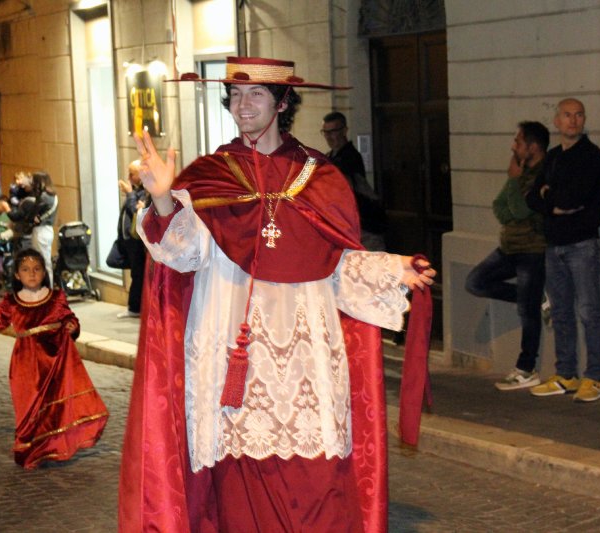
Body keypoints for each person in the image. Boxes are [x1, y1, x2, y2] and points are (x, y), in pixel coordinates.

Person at [118, 56, 435, 532]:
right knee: (238, 492)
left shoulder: (320, 177)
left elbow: (336, 266)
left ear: (283, 102)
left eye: (257, 95)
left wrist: (395, 269)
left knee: (316, 485)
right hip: (229, 355)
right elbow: (183, 255)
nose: (242, 106)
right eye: (236, 96)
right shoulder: (209, 175)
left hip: (305, 357)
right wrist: (164, 197)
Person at [0, 248, 109, 469]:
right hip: (25, 365)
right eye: (26, 270)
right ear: (17, 275)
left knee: (52, 409)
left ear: (44, 272)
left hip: (54, 361)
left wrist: (72, 327)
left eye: (37, 269)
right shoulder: (11, 302)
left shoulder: (56, 297)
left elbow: (70, 319)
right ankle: (30, 450)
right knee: (28, 410)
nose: (32, 274)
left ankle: (52, 448)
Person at [526, 98, 600, 402]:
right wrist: (552, 201)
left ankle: (595, 377)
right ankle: (567, 374)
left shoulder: (591, 157)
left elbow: (574, 199)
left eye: (578, 115)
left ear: (583, 120)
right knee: (561, 312)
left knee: (589, 311)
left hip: (582, 246)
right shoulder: (552, 158)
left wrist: (554, 198)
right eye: (567, 115)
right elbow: (533, 198)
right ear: (557, 122)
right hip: (554, 246)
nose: (573, 121)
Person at [465, 121, 549, 391]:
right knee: (475, 282)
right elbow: (500, 207)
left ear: (533, 147)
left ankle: (526, 368)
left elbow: (521, 210)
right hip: (509, 247)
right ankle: (536, 298)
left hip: (532, 250)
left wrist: (514, 182)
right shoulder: (519, 170)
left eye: (518, 141)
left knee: (527, 312)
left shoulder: (543, 173)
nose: (513, 146)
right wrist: (514, 192)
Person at [322, 111, 387, 251]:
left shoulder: (350, 157)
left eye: (333, 131)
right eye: (325, 132)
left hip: (365, 225)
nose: (329, 137)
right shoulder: (331, 156)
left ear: (344, 131)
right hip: (351, 223)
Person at [8, 171, 58, 286]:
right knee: (45, 261)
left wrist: (31, 218)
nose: (32, 184)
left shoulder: (44, 197)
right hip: (48, 230)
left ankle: (46, 291)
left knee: (43, 262)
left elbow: (32, 214)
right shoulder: (53, 195)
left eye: (34, 181)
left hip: (40, 231)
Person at [116, 159, 149, 319]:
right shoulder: (138, 190)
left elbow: (136, 211)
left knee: (138, 274)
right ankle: (135, 306)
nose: (128, 177)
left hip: (138, 241)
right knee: (136, 273)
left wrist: (129, 193)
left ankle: (135, 307)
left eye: (132, 174)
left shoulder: (145, 191)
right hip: (129, 239)